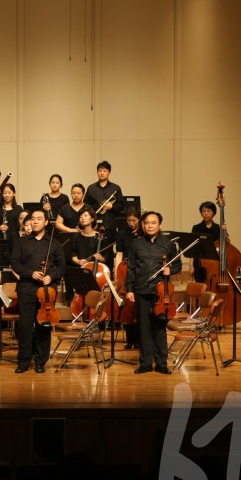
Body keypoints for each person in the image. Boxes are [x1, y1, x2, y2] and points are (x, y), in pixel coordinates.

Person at [124, 211, 180, 374]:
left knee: (160, 329)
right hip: (141, 290)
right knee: (144, 329)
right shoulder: (136, 244)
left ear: (159, 225)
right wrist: (129, 289)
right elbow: (131, 268)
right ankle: (145, 364)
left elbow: (177, 265)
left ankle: (162, 364)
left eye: (153, 223)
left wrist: (171, 270)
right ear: (143, 225)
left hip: (161, 294)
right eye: (147, 223)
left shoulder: (168, 244)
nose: (150, 225)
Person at [9, 209, 65, 373]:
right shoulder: (21, 241)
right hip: (26, 289)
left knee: (43, 326)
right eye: (33, 219)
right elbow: (15, 263)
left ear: (46, 222)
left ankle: (40, 361)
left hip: (47, 292)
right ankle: (23, 361)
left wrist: (51, 276)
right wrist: (31, 273)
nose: (35, 221)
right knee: (25, 327)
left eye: (39, 219)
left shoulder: (54, 243)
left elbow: (62, 266)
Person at [113, 208, 142, 349]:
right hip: (126, 270)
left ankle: (140, 340)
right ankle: (130, 340)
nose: (131, 223)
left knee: (138, 305)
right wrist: (117, 271)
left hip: (141, 271)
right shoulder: (122, 233)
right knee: (128, 305)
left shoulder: (143, 232)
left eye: (134, 221)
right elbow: (119, 253)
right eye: (129, 221)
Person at [86, 160, 124, 228]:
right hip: (94, 223)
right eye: (100, 171)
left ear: (109, 172)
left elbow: (121, 205)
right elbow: (86, 205)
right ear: (97, 172)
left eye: (104, 171)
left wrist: (112, 207)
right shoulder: (91, 188)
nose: (102, 173)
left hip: (110, 223)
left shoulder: (116, 188)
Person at [191, 201, 221, 282]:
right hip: (199, 262)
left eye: (209, 211)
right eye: (204, 211)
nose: (206, 213)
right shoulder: (196, 228)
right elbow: (192, 247)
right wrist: (191, 266)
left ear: (214, 213)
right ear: (201, 213)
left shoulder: (218, 228)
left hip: (215, 262)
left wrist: (224, 231)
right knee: (200, 284)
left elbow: (227, 243)